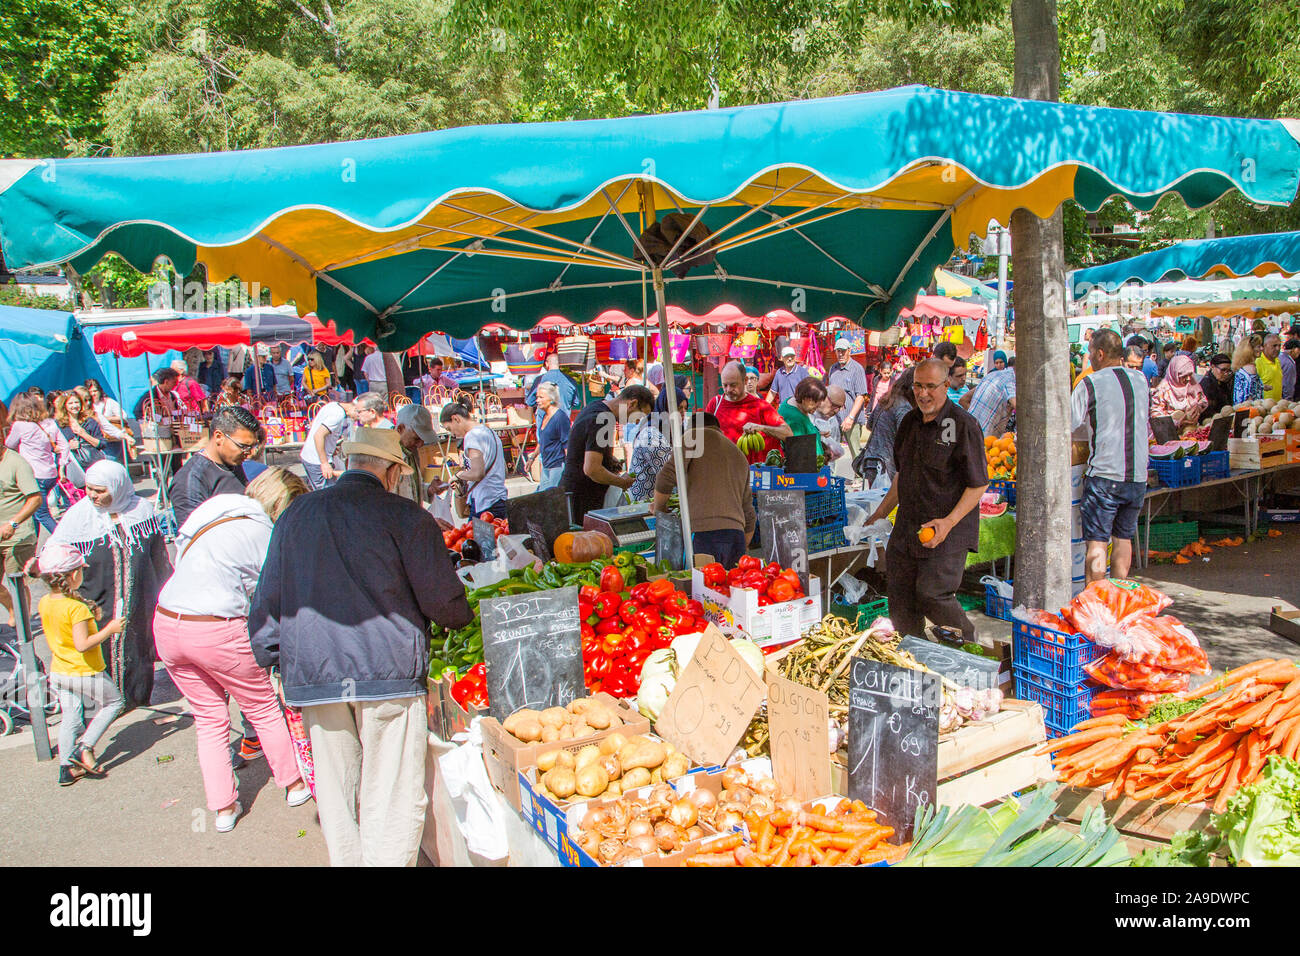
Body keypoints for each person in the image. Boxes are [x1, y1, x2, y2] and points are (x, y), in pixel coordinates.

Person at [249, 428, 473, 866]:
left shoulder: (298, 513)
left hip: (314, 673)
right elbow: (443, 600)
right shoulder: (405, 516)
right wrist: (458, 619)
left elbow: (267, 597)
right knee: (390, 791)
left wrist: (274, 659)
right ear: (390, 471)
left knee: (337, 793)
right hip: (386, 672)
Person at [154, 468, 311, 830]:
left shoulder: (212, 510)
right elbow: (273, 590)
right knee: (261, 706)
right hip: (216, 626)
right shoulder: (262, 532)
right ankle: (293, 783)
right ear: (281, 505)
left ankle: (223, 808)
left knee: (209, 719)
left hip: (167, 621)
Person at [866, 359, 988, 641]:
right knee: (899, 596)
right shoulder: (909, 422)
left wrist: (948, 523)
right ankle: (913, 653)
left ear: (946, 386)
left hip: (946, 532)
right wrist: (880, 514)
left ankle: (967, 647)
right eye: (918, 386)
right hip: (907, 529)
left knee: (933, 594)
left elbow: (978, 484)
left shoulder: (963, 425)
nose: (923, 394)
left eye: (931, 387)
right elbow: (901, 476)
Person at [48, 461, 172, 711]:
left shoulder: (142, 510)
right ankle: (104, 707)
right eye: (89, 489)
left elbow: (158, 556)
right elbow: (54, 555)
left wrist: (166, 590)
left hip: (139, 598)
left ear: (117, 487)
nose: (92, 495)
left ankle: (136, 701)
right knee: (100, 650)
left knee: (138, 646)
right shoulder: (78, 517)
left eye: (100, 490)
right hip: (97, 599)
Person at [26, 542, 126, 786]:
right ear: (73, 575)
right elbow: (83, 644)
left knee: (72, 714)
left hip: (59, 671)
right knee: (114, 702)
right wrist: (110, 630)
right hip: (84, 671)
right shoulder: (76, 608)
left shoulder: (45, 603)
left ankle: (66, 768)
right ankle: (84, 746)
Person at [1070, 330, 1150, 583]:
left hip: (1104, 476)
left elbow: (1070, 425)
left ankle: (1094, 602)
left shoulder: (1090, 383)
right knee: (1123, 538)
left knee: (1097, 543)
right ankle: (1117, 598)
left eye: (1091, 352)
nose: (1089, 357)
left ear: (1100, 354)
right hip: (1137, 475)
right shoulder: (1140, 380)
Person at [651, 412, 756, 569]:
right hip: (736, 536)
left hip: (703, 535)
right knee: (731, 590)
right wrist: (739, 545)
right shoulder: (738, 454)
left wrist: (659, 509)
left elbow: (666, 477)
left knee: (700, 591)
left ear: (690, 428)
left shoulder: (693, 437)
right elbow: (749, 512)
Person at [561, 385, 654, 524]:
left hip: (571, 493)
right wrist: (621, 482)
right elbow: (592, 469)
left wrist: (609, 460)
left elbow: (585, 449)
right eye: (639, 416)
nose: (636, 422)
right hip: (582, 500)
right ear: (632, 404)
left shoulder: (595, 406)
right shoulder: (604, 420)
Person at [167, 405, 259, 526]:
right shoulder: (191, 480)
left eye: (252, 446)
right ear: (219, 437)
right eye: (243, 446)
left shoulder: (232, 461)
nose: (250, 453)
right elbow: (194, 538)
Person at [0, 404, 40, 631]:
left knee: (16, 581)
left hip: (17, 535)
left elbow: (35, 498)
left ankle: (23, 626)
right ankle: (14, 610)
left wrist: (13, 522)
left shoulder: (15, 462)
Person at [704, 361, 792, 464]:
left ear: (745, 380)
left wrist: (761, 428)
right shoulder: (714, 404)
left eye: (733, 385)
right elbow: (701, 438)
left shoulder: (761, 406)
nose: (728, 390)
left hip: (754, 474)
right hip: (724, 472)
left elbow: (788, 433)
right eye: (725, 385)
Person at [5, 394, 68, 533]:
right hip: (50, 474)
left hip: (36, 475)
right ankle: (38, 547)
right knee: (33, 512)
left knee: (42, 514)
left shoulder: (19, 425)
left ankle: (66, 541)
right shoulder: (38, 425)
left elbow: (8, 444)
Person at [437, 403, 510, 520]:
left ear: (455, 418)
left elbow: (477, 473)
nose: (452, 434)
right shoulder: (489, 432)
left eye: (449, 428)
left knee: (476, 538)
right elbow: (503, 469)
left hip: (485, 503)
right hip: (498, 499)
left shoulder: (472, 436)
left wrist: (458, 475)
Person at [300, 393, 384, 490]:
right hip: (316, 460)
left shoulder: (334, 406)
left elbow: (316, 426)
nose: (357, 419)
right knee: (326, 494)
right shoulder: (337, 415)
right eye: (358, 415)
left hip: (314, 456)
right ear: (355, 409)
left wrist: (330, 447)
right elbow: (318, 435)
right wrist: (324, 463)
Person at [628, 376, 690, 502]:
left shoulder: (676, 432)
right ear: (665, 408)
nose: (683, 413)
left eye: (685, 408)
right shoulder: (651, 435)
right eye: (679, 408)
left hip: (662, 502)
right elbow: (670, 474)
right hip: (643, 505)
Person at [855, 367, 917, 485]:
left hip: (873, 460)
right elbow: (905, 439)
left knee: (877, 500)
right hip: (886, 466)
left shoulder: (887, 399)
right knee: (887, 501)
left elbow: (869, 425)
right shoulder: (904, 407)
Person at [826, 338, 869, 455]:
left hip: (851, 419)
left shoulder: (857, 369)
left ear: (849, 351)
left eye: (843, 351)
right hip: (834, 418)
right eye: (838, 351)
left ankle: (859, 474)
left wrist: (850, 418)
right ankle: (830, 474)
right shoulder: (833, 369)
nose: (840, 354)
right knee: (831, 453)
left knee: (856, 453)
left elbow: (861, 396)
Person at [393, 404, 439, 506]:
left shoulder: (410, 451)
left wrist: (429, 490)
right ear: (400, 429)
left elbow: (412, 488)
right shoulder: (389, 456)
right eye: (417, 438)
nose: (420, 444)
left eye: (423, 440)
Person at [1149, 353, 1207, 432]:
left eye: (1190, 374)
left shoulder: (1192, 384)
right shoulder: (1163, 390)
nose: (1188, 379)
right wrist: (1177, 422)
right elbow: (1156, 415)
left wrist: (1198, 407)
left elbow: (1203, 400)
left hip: (1191, 431)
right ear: (1174, 374)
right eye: (1184, 376)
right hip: (1170, 433)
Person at [54, 388, 107, 473]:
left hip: (91, 466)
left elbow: (102, 444)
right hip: (69, 468)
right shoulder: (58, 424)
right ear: (64, 405)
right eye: (70, 403)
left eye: (76, 402)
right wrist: (68, 446)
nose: (74, 406)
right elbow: (52, 448)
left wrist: (84, 434)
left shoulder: (89, 421)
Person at [84, 379, 136, 463]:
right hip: (95, 439)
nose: (93, 394)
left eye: (95, 391)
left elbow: (123, 416)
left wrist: (105, 418)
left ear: (100, 390)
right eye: (90, 391)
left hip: (110, 440)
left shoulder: (109, 402)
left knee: (108, 461)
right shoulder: (87, 405)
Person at [533, 381, 572, 492]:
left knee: (552, 499)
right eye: (537, 397)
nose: (537, 401)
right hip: (546, 465)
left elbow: (567, 445)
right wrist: (532, 457)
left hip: (557, 466)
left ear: (551, 399)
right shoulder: (545, 416)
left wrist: (570, 470)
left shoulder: (560, 417)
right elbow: (543, 441)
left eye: (541, 397)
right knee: (543, 497)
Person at [962, 361, 1017, 438]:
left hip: (969, 433)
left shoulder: (992, 375)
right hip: (981, 440)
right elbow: (1018, 407)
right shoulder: (1010, 381)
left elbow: (964, 399)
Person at [777, 376, 829, 456]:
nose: (818, 405)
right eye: (815, 402)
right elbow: (800, 452)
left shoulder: (793, 402)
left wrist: (816, 433)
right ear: (805, 398)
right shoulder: (795, 418)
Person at [812, 385, 847, 462]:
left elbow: (835, 453)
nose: (836, 411)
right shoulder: (807, 414)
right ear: (824, 397)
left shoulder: (832, 421)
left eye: (840, 407)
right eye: (834, 405)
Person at [1198, 353, 1234, 421]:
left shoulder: (1223, 382)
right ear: (1212, 367)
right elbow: (1207, 411)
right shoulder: (1207, 385)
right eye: (1223, 370)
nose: (1226, 374)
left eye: (1228, 371)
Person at [1232, 338, 1265, 405]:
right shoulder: (1251, 369)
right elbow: (1251, 393)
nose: (1262, 348)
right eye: (1258, 346)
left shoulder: (1242, 367)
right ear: (1250, 350)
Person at [1256, 333, 1285, 400]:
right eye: (1274, 346)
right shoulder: (1258, 362)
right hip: (1263, 406)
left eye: (1279, 346)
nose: (1277, 349)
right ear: (1264, 346)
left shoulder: (1277, 361)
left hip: (1277, 406)